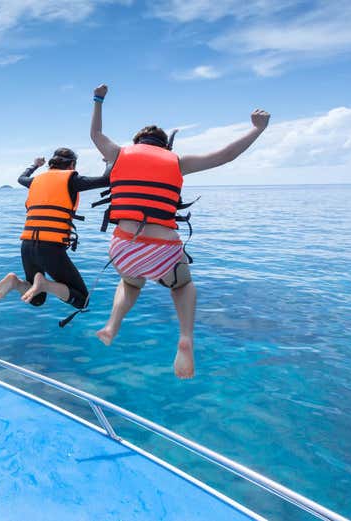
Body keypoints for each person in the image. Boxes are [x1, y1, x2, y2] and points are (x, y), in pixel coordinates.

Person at [89, 83, 270, 378]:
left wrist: (98, 99)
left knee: (132, 284)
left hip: (124, 246)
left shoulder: (119, 154)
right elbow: (225, 155)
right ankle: (185, 337)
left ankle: (112, 325)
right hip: (164, 250)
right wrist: (257, 129)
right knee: (182, 286)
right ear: (165, 147)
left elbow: (95, 135)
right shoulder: (178, 161)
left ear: (138, 142)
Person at [0, 149, 109, 324]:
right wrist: (109, 161)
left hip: (27, 245)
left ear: (51, 165)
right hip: (50, 248)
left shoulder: (34, 181)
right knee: (82, 300)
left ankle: (16, 283)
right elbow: (106, 179)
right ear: (71, 166)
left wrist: (34, 165)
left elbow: (20, 178)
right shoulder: (71, 179)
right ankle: (44, 284)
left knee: (37, 299)